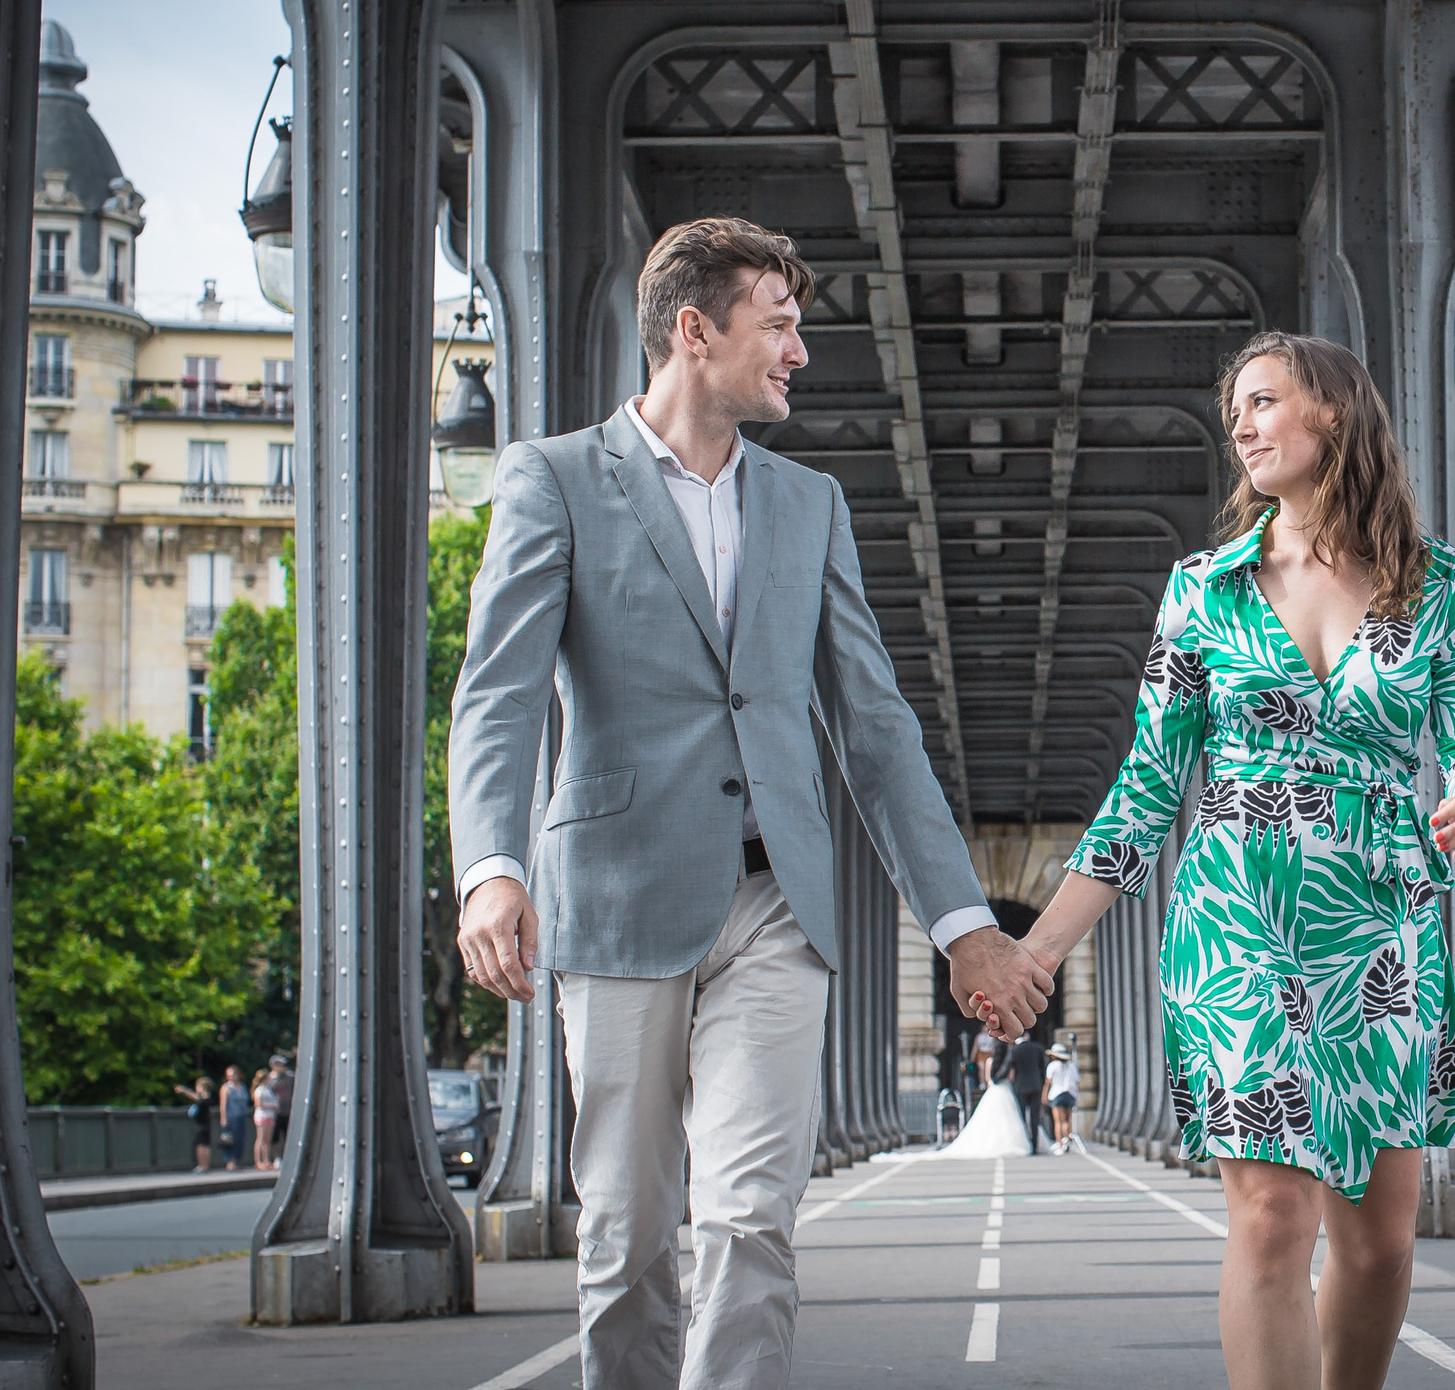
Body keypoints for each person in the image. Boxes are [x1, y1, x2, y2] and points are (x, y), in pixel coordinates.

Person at [448, 216, 1052, 1390]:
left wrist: (963, 923)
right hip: (619, 899)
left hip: (781, 905)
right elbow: (499, 695)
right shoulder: (553, 479)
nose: (799, 353)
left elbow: (875, 730)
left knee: (749, 1219)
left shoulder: (808, 503)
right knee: (624, 1240)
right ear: (693, 330)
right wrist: (491, 867)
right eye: (777, 325)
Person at [1010, 332, 1455, 1390]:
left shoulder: (1438, 586)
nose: (1240, 423)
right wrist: (1039, 950)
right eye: (1234, 406)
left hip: (1381, 925)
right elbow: (1147, 789)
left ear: (1331, 412)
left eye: (1263, 401)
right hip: (1238, 919)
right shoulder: (1201, 592)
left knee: (1378, 1243)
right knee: (1274, 1218)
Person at [1000, 1033, 1050, 1157]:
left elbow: (1007, 1066)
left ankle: (1025, 1143)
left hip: (1021, 1086)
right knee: (1035, 1117)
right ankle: (1034, 1146)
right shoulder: (1038, 1048)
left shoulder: (1015, 1050)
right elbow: (1043, 1068)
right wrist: (1042, 1082)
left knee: (1021, 1117)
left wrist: (996, 1079)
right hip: (1036, 1085)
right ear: (1027, 1036)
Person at [1044, 1041, 1081, 1155]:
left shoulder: (1052, 1066)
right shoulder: (1072, 1066)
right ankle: (1067, 1141)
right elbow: (1077, 1081)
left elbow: (1048, 1082)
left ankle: (1060, 1144)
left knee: (1058, 1121)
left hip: (1057, 1094)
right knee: (1067, 1120)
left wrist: (1044, 1094)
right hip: (1070, 1094)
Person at [173, 1075, 215, 1172]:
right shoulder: (208, 1098)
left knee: (200, 1145)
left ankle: (201, 1166)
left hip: (200, 1125)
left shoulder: (203, 1099)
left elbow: (194, 1096)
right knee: (206, 1145)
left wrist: (184, 1090)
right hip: (207, 1124)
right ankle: (206, 1166)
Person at [218, 1065, 250, 1170]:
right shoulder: (226, 1088)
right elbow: (223, 1104)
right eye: (229, 1075)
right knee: (230, 1139)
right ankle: (230, 1161)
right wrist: (223, 1118)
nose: (232, 1077)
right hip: (231, 1116)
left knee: (240, 1138)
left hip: (241, 1115)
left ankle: (236, 1160)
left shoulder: (242, 1087)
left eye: (233, 1074)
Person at [252, 1060, 283, 1170]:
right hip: (262, 1115)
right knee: (261, 1138)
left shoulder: (269, 1090)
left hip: (270, 1116)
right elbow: (258, 1104)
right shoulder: (259, 1090)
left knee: (267, 1140)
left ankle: (266, 1160)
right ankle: (258, 1161)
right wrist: (271, 1106)